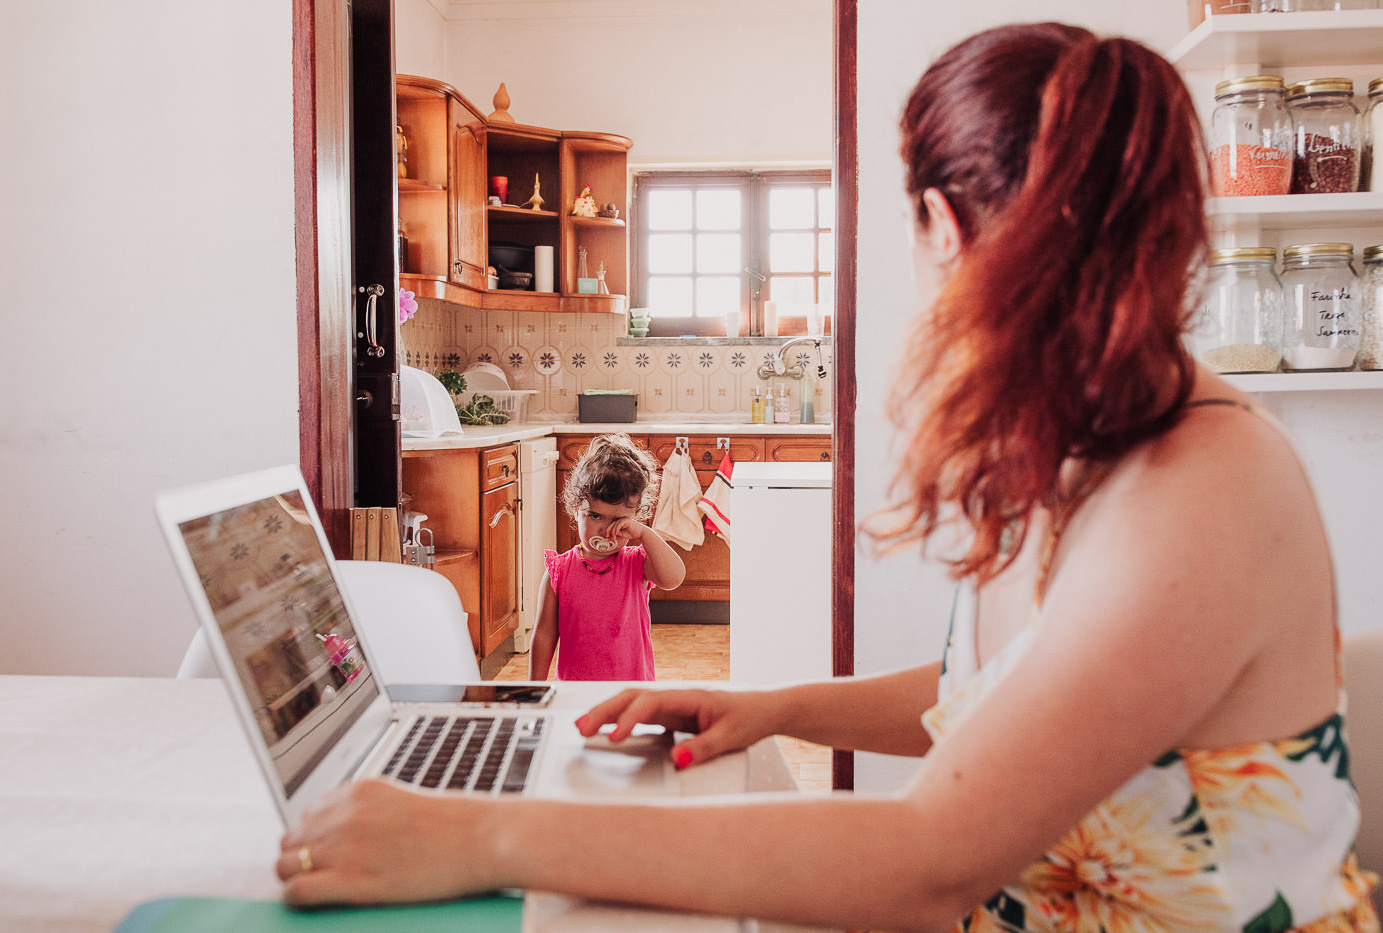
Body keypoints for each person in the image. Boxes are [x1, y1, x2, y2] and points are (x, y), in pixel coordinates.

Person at [276, 23, 1380, 930]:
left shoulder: (1201, 491)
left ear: (943, 229)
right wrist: (773, 707)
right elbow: (994, 701)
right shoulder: (1082, 444)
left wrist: (478, 834)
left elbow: (926, 856)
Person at [529, 432, 685, 680]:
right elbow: (545, 634)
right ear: (575, 510)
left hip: (631, 691)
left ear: (635, 516)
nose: (605, 530)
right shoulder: (558, 570)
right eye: (595, 516)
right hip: (576, 691)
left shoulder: (638, 563)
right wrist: (534, 687)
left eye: (618, 519)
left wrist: (645, 534)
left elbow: (673, 578)